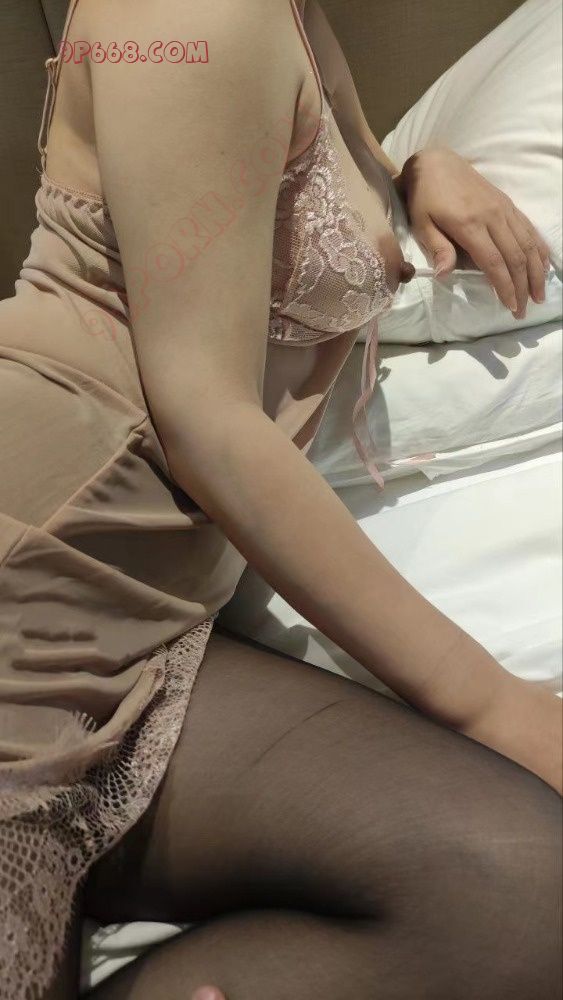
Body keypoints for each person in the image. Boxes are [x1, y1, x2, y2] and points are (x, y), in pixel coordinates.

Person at [0, 1, 560, 998]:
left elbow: (248, 186)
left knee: (517, 885)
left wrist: (412, 174)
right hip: (37, 579)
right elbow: (209, 424)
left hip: (145, 611)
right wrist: (493, 705)